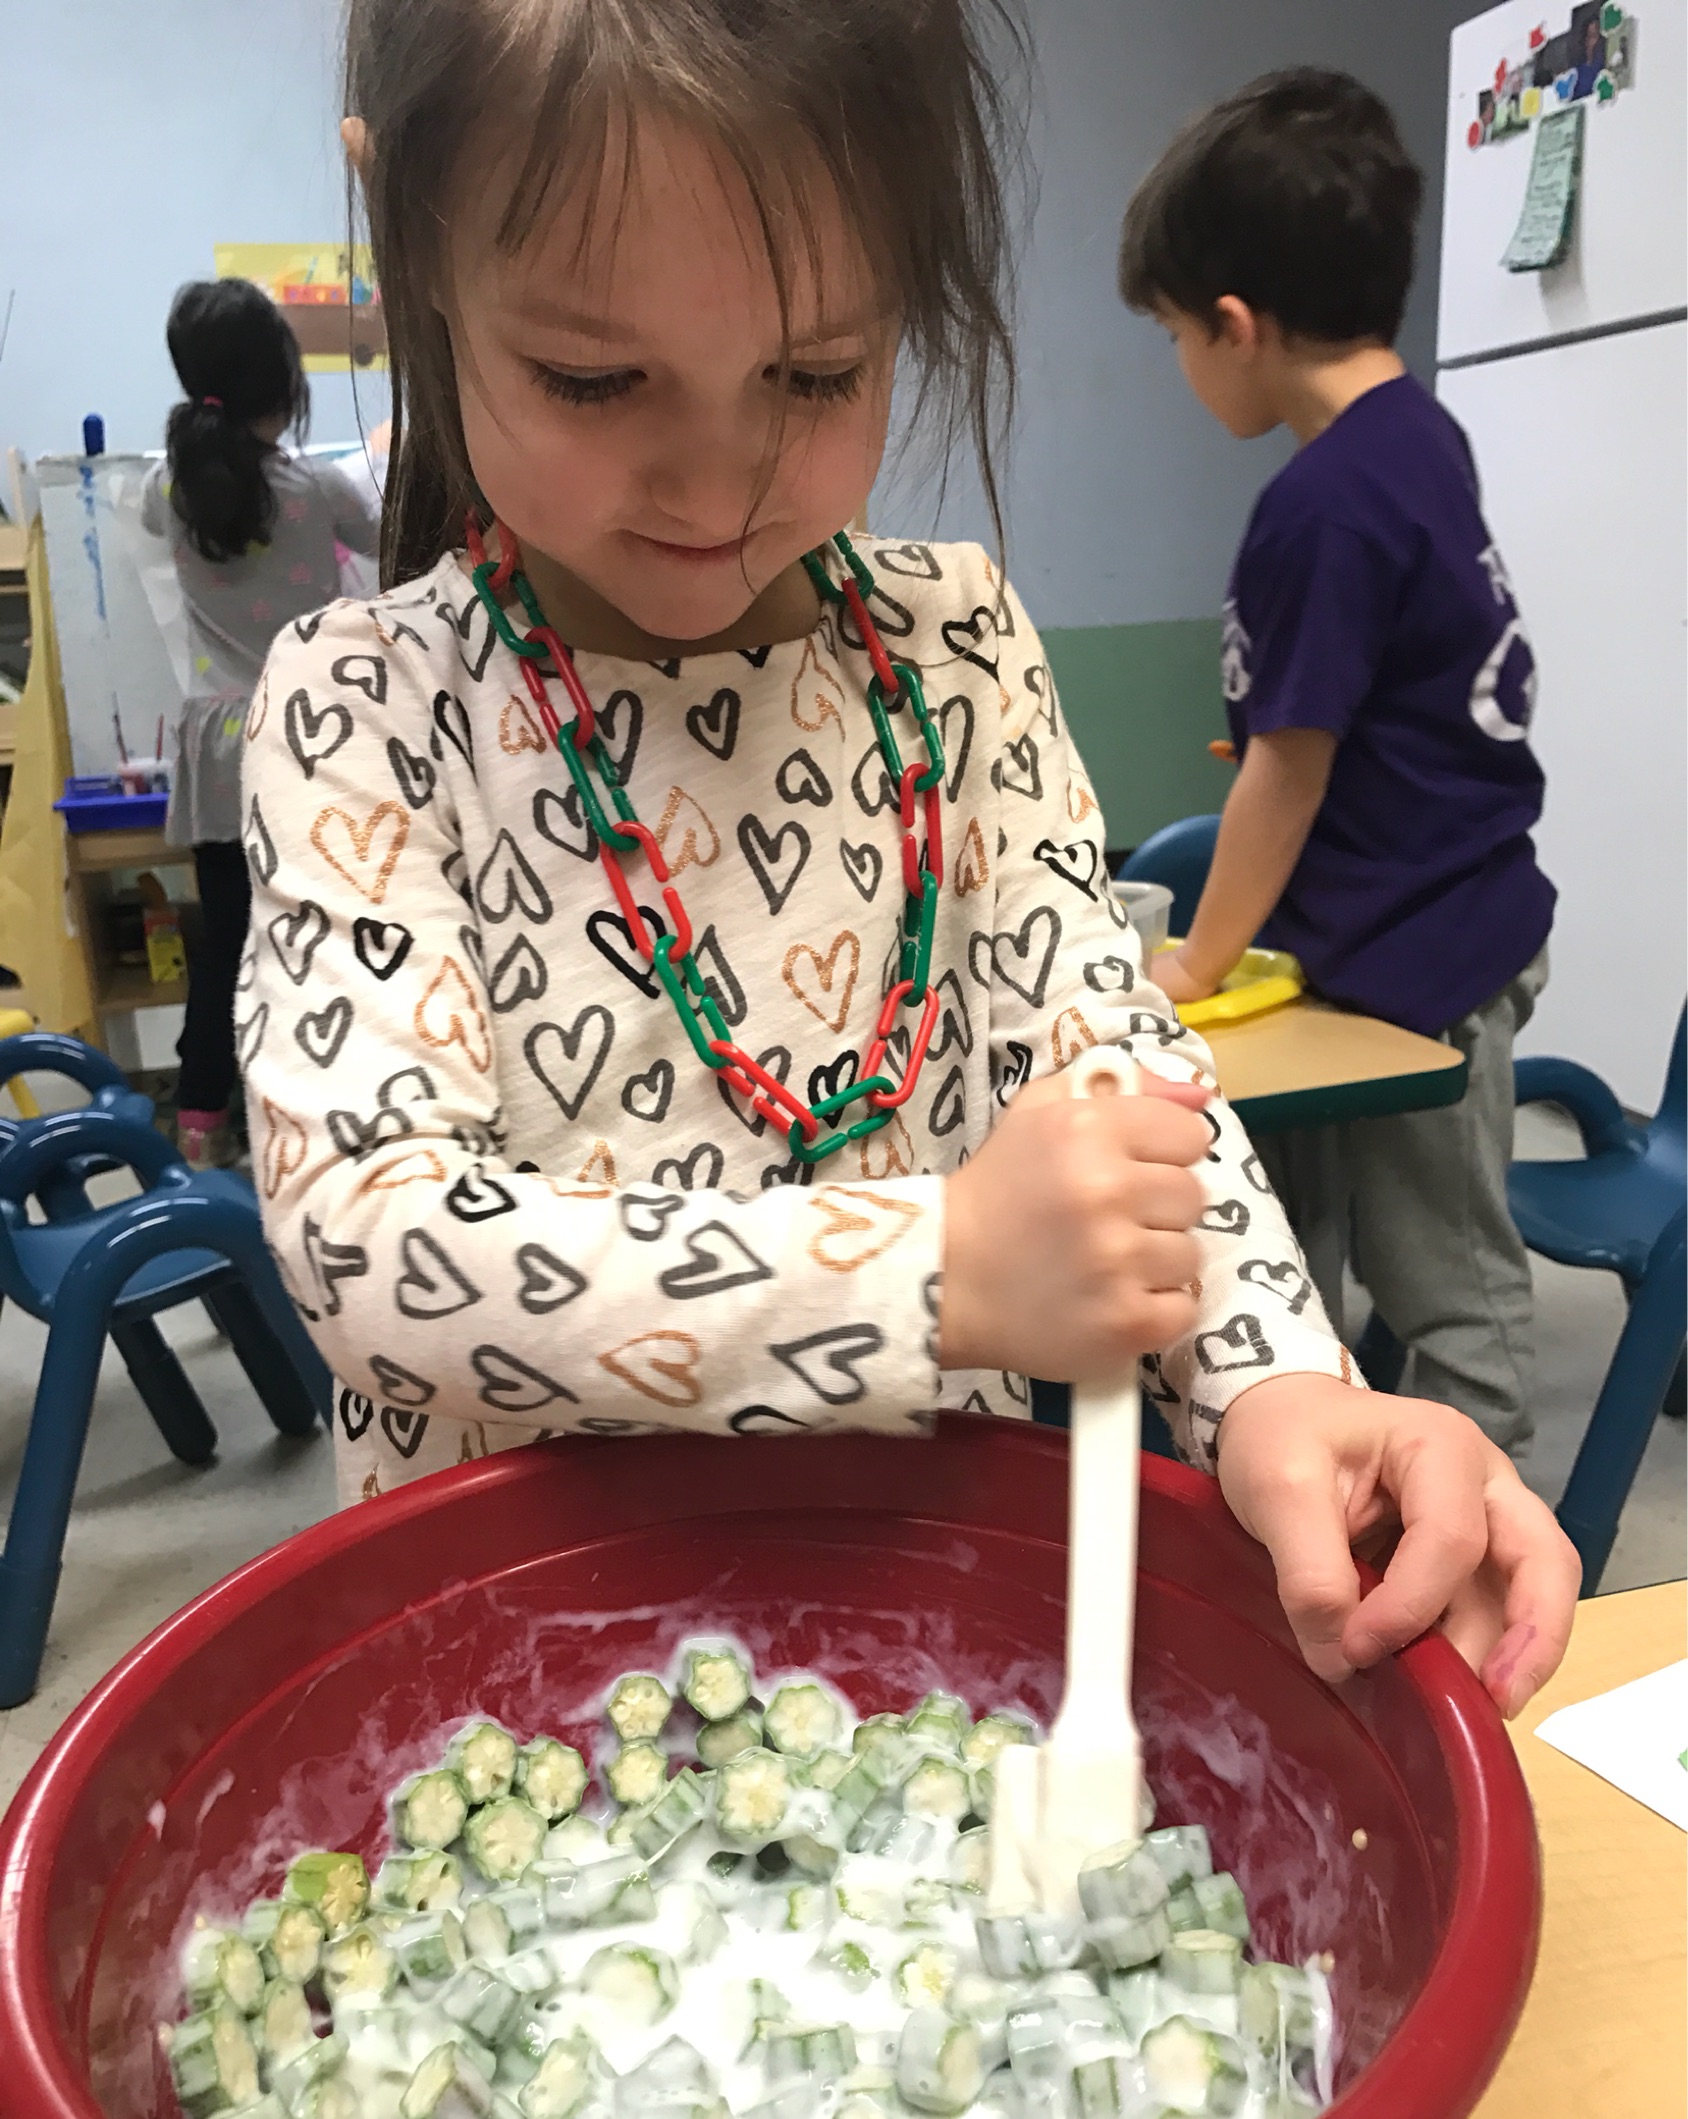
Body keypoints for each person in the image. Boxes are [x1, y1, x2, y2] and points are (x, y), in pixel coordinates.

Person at [242, 0, 1577, 1723]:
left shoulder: (950, 648)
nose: (716, 482)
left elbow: (1106, 1062)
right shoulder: (369, 702)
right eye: (591, 376)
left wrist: (1272, 1389)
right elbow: (373, 1242)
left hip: (926, 1629)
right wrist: (937, 1271)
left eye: (812, 375)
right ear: (415, 240)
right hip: (520, 1669)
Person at [1122, 69, 1557, 1470]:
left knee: (1446, 1281)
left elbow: (1286, 777)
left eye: (1177, 336)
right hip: (1419, 918)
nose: (1182, 368)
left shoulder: (1316, 503)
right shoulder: (1419, 436)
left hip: (1421, 954)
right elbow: (1381, 701)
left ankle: (1483, 1526)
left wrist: (1193, 963)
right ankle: (1308, 1463)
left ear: (1235, 327)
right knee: (1294, 1247)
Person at [143, 277, 380, 1166]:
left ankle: (202, 1121)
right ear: (283, 383)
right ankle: (311, 1124)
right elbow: (385, 531)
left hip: (215, 747)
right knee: (315, 937)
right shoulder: (315, 492)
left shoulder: (164, 489)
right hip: (305, 738)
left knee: (226, 941)